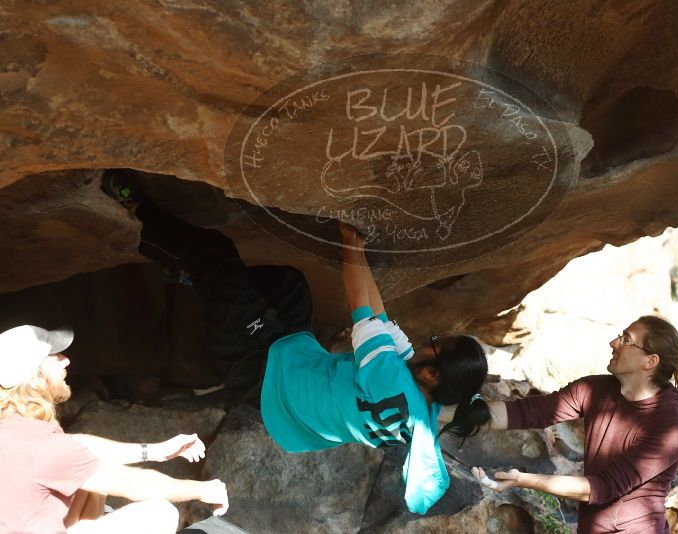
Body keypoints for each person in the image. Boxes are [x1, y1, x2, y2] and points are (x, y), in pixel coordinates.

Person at [99, 168, 493, 513]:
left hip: (263, 374)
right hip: (293, 371)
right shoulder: (420, 405)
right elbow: (381, 317)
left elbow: (359, 306)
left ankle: (137, 207)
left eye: (435, 344)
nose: (427, 340)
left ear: (432, 373)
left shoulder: (392, 380)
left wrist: (349, 244)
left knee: (215, 254)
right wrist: (360, 253)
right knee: (289, 285)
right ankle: (202, 281)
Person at [469, 316, 678, 534]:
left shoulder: (671, 425)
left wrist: (522, 480)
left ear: (650, 361)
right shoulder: (594, 389)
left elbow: (601, 488)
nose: (613, 343)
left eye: (626, 340)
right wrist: (446, 412)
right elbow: (525, 412)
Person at [0, 324, 229, 534]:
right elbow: (132, 485)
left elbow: (78, 446)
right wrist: (204, 490)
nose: (66, 360)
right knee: (160, 514)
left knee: (88, 486)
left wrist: (157, 451)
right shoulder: (43, 447)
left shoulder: (15, 429)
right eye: (54, 356)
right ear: (32, 378)